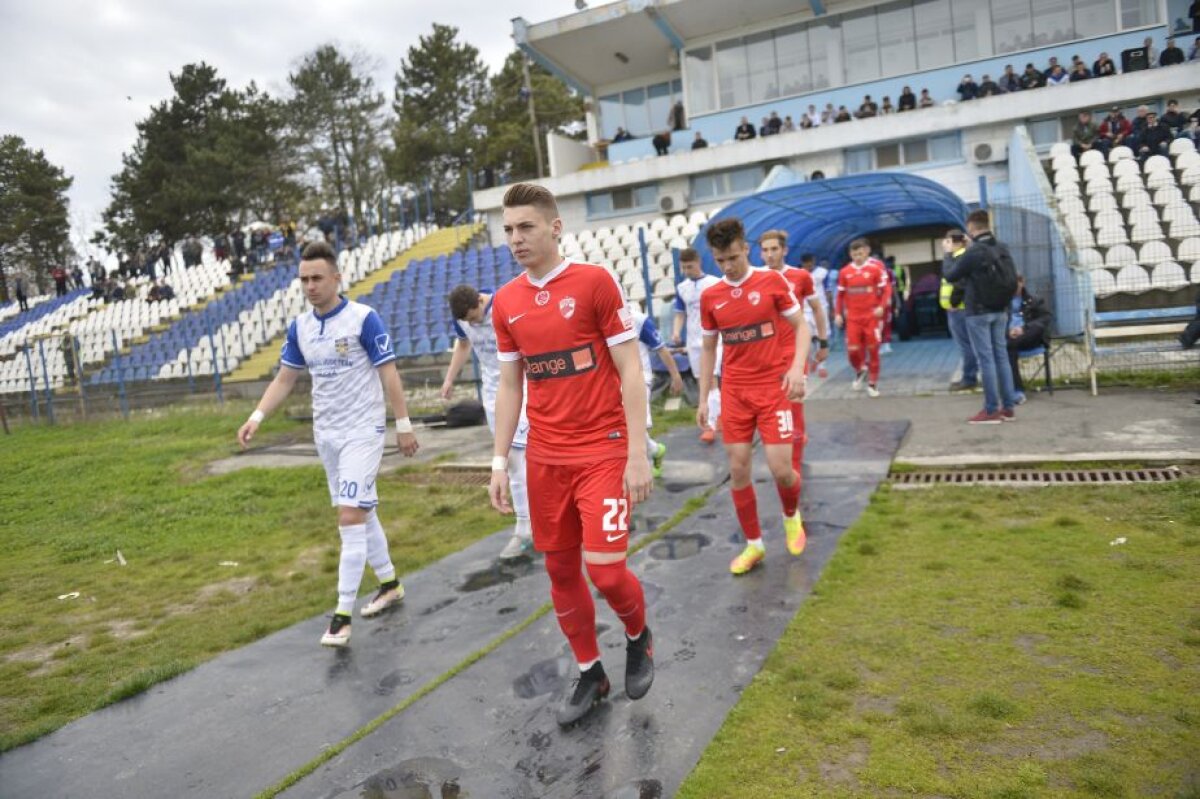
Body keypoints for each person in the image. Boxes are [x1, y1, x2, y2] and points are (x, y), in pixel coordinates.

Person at [488, 183, 655, 728]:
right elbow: (511, 386)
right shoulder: (506, 302)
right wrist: (497, 461)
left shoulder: (594, 283)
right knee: (560, 570)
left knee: (606, 573)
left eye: (526, 227)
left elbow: (631, 369)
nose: (516, 238)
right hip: (545, 458)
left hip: (604, 450)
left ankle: (638, 634)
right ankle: (591, 672)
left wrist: (637, 452)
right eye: (509, 229)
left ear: (555, 228)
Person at [237, 240, 420, 647]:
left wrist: (403, 425)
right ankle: (389, 584)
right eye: (304, 279)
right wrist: (256, 417)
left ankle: (341, 615)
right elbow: (285, 378)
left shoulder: (363, 318)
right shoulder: (301, 327)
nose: (310, 285)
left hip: (363, 431)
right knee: (362, 511)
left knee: (349, 516)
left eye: (317, 277)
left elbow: (389, 373)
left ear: (337, 278)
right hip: (328, 435)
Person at [697, 218, 809, 576]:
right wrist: (703, 399)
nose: (728, 267)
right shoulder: (710, 296)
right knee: (738, 468)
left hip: (773, 390)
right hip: (735, 392)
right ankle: (754, 545)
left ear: (746, 248)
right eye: (720, 261)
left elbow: (801, 327)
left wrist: (796, 369)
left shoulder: (772, 281)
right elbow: (708, 348)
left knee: (782, 470)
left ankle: (791, 515)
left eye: (732, 257)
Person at [443, 284, 533, 561]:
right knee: (514, 458)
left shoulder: (505, 305)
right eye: (468, 321)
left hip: (523, 386)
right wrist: (449, 378)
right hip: (495, 394)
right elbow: (463, 345)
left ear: (480, 302)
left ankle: (525, 528)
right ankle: (532, 522)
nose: (474, 323)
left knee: (517, 457)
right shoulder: (464, 320)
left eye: (475, 317)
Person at [759, 231, 829, 476]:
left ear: (784, 250)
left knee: (793, 406)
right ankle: (790, 448)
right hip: (766, 356)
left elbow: (817, 309)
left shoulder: (800, 276)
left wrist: (823, 342)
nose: (770, 254)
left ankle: (794, 470)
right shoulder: (756, 279)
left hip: (794, 353)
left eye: (774, 249)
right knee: (776, 410)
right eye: (765, 250)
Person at [942, 209, 1018, 424]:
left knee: (986, 360)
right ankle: (1008, 408)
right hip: (1001, 309)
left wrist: (948, 254)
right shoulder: (1002, 247)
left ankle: (991, 409)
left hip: (978, 312)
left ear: (971, 229)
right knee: (1001, 357)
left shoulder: (974, 252)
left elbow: (951, 275)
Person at [670, 248, 723, 444]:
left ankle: (711, 424)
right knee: (702, 380)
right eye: (683, 267)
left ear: (698, 262)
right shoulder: (682, 287)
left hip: (713, 339)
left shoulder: (714, 283)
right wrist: (676, 331)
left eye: (689, 266)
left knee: (711, 379)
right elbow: (680, 313)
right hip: (693, 340)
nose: (686, 270)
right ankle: (718, 415)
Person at [834, 239, 890, 397]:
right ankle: (860, 369)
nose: (857, 257)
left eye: (860, 253)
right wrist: (838, 313)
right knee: (853, 351)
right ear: (850, 254)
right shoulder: (845, 272)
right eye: (854, 254)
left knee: (873, 350)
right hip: (853, 318)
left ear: (867, 252)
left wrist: (881, 306)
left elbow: (886, 290)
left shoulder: (875, 269)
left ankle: (872, 383)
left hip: (871, 317)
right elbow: (840, 295)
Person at [633, 309, 684, 478]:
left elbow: (661, 349)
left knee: (634, 427)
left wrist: (676, 376)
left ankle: (638, 475)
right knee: (622, 428)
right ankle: (655, 450)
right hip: (611, 383)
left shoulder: (638, 319)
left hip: (639, 380)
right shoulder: (598, 319)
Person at [940, 230, 979, 392]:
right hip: (956, 309)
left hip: (959, 309)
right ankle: (969, 376)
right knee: (967, 345)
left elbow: (959, 283)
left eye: (949, 241)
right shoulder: (959, 256)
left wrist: (954, 302)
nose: (946, 244)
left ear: (959, 242)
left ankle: (969, 378)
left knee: (966, 346)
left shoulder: (959, 257)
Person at [1006, 276, 1052, 405]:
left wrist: (1023, 328)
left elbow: (1046, 318)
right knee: (1009, 347)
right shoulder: (1002, 303)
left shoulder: (1034, 300)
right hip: (1010, 338)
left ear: (1022, 282)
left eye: (1015, 284)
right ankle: (1017, 391)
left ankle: (1016, 391)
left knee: (1010, 345)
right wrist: (1008, 332)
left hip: (1030, 337)